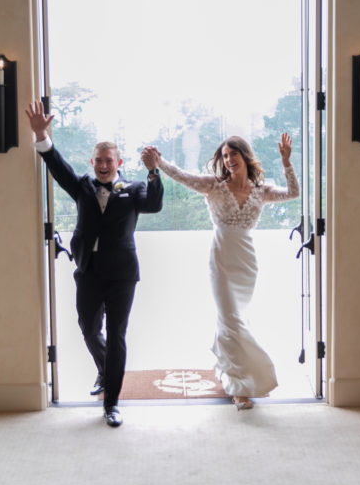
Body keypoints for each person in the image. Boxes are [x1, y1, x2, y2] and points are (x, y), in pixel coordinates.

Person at [25, 99, 163, 427]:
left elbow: (155, 205)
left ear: (119, 162)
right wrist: (41, 136)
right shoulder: (83, 186)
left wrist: (154, 171)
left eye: (108, 160)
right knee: (88, 328)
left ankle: (111, 404)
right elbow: (57, 166)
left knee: (116, 334)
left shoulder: (134, 188)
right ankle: (105, 369)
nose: (103, 165)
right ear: (92, 161)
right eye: (98, 160)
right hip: (87, 271)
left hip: (122, 275)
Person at [142, 134, 299, 410]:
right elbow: (181, 176)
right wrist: (159, 163)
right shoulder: (213, 186)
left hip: (246, 263)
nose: (228, 160)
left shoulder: (261, 191)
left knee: (233, 320)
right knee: (230, 319)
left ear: (245, 156)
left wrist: (286, 162)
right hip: (221, 261)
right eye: (225, 156)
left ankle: (228, 369)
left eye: (233, 155)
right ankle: (240, 388)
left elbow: (293, 193)